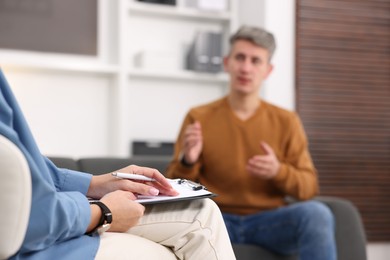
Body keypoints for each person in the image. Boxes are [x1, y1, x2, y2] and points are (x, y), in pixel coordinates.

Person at [0, 69, 236, 260]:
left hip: (47, 223)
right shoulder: (201, 115)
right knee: (198, 218)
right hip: (36, 247)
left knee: (200, 213)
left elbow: (27, 169)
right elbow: (30, 217)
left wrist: (94, 183)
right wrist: (103, 213)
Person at [166, 26, 337, 259]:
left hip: (270, 223)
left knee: (317, 214)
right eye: (240, 58)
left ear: (268, 70)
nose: (246, 68)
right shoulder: (199, 117)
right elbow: (171, 191)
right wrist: (188, 160)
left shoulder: (286, 121)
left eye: (255, 61)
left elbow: (308, 188)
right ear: (227, 63)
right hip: (215, 218)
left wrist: (279, 171)